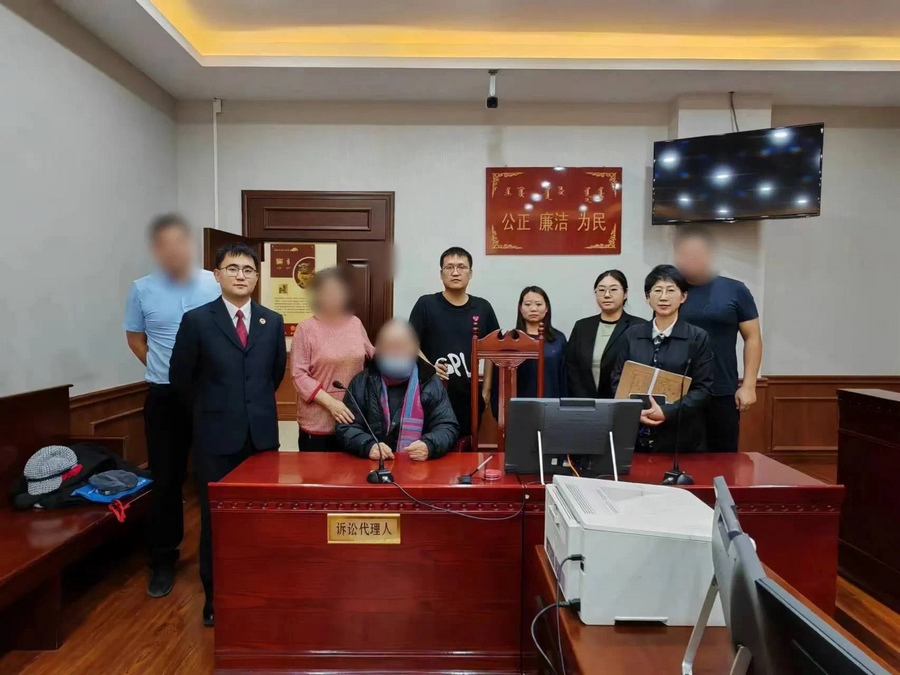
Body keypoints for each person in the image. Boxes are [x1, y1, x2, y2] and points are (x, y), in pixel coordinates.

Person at [169, 242, 286, 627]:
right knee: (217, 521)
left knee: (262, 519)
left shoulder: (271, 321)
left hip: (261, 440)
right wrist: (213, 413)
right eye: (233, 268)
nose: (241, 276)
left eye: (248, 270)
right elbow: (181, 380)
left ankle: (259, 589)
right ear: (217, 275)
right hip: (215, 440)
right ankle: (216, 598)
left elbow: (273, 376)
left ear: (257, 277)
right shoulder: (197, 321)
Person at [123, 214, 220, 599]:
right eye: (165, 243)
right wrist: (161, 368)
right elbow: (135, 339)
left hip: (209, 396)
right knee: (166, 479)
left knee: (214, 477)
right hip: (163, 396)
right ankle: (163, 559)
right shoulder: (141, 289)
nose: (174, 249)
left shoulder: (213, 283)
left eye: (180, 241)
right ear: (156, 249)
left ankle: (221, 557)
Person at [674, 226, 762, 452]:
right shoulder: (671, 291)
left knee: (722, 458)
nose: (691, 259)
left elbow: (752, 337)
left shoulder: (735, 290)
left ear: (710, 255)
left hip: (722, 389)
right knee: (680, 458)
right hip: (679, 392)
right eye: (685, 254)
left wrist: (749, 385)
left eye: (697, 253)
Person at [611, 265, 714, 454]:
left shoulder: (697, 337)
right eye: (657, 290)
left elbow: (703, 389)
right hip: (635, 432)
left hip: (680, 435)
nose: (664, 297)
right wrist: (636, 411)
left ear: (683, 296)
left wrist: (667, 412)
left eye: (671, 290)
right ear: (647, 297)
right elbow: (617, 379)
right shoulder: (632, 335)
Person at [408, 247, 499, 441]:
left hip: (469, 396)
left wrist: (486, 390)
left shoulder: (483, 307)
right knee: (433, 444)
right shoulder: (426, 304)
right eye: (449, 267)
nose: (455, 272)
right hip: (431, 393)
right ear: (441, 273)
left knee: (465, 445)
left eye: (461, 267)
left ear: (470, 273)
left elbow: (493, 350)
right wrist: (430, 369)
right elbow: (409, 342)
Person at [336, 320, 459, 461]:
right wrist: (369, 446)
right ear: (379, 349)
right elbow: (346, 428)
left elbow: (447, 426)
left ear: (414, 348)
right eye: (390, 346)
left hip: (419, 467)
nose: (396, 352)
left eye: (401, 346)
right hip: (373, 467)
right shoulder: (362, 382)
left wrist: (429, 445)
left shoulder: (430, 381)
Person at [290, 268, 374, 451]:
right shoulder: (306, 329)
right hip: (318, 423)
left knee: (352, 469)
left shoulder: (355, 323)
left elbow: (373, 355)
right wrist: (331, 404)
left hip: (354, 420)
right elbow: (299, 375)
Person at [566, 270, 646, 399]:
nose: (607, 295)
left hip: (622, 403)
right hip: (585, 402)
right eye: (601, 290)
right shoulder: (582, 326)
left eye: (613, 289)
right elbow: (571, 367)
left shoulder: (639, 327)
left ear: (625, 293)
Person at [490, 286, 567, 419]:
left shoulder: (558, 339)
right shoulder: (509, 339)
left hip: (552, 409)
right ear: (520, 308)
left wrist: (564, 409)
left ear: (547, 308)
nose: (533, 309)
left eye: (538, 304)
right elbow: (499, 381)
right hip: (518, 410)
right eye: (527, 304)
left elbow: (564, 378)